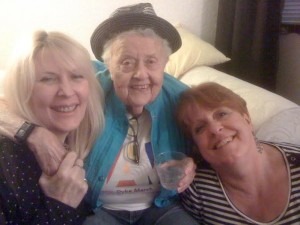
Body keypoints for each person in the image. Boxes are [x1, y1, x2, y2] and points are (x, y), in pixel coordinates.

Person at [0, 3, 197, 225]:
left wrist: (193, 162)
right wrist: (33, 133)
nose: (141, 74)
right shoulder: (85, 86)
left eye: (151, 62)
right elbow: (6, 102)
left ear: (164, 65)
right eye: (126, 62)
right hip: (102, 210)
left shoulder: (182, 97)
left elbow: (219, 133)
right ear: (108, 66)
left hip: (160, 208)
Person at [0, 30, 105, 224]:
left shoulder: (78, 142)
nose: (66, 91)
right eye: (48, 79)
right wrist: (59, 205)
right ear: (23, 89)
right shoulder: (7, 159)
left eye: (76, 76)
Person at [175, 82, 300, 224]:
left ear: (247, 119)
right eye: (200, 128)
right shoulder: (196, 192)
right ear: (197, 147)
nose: (215, 129)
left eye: (221, 114)